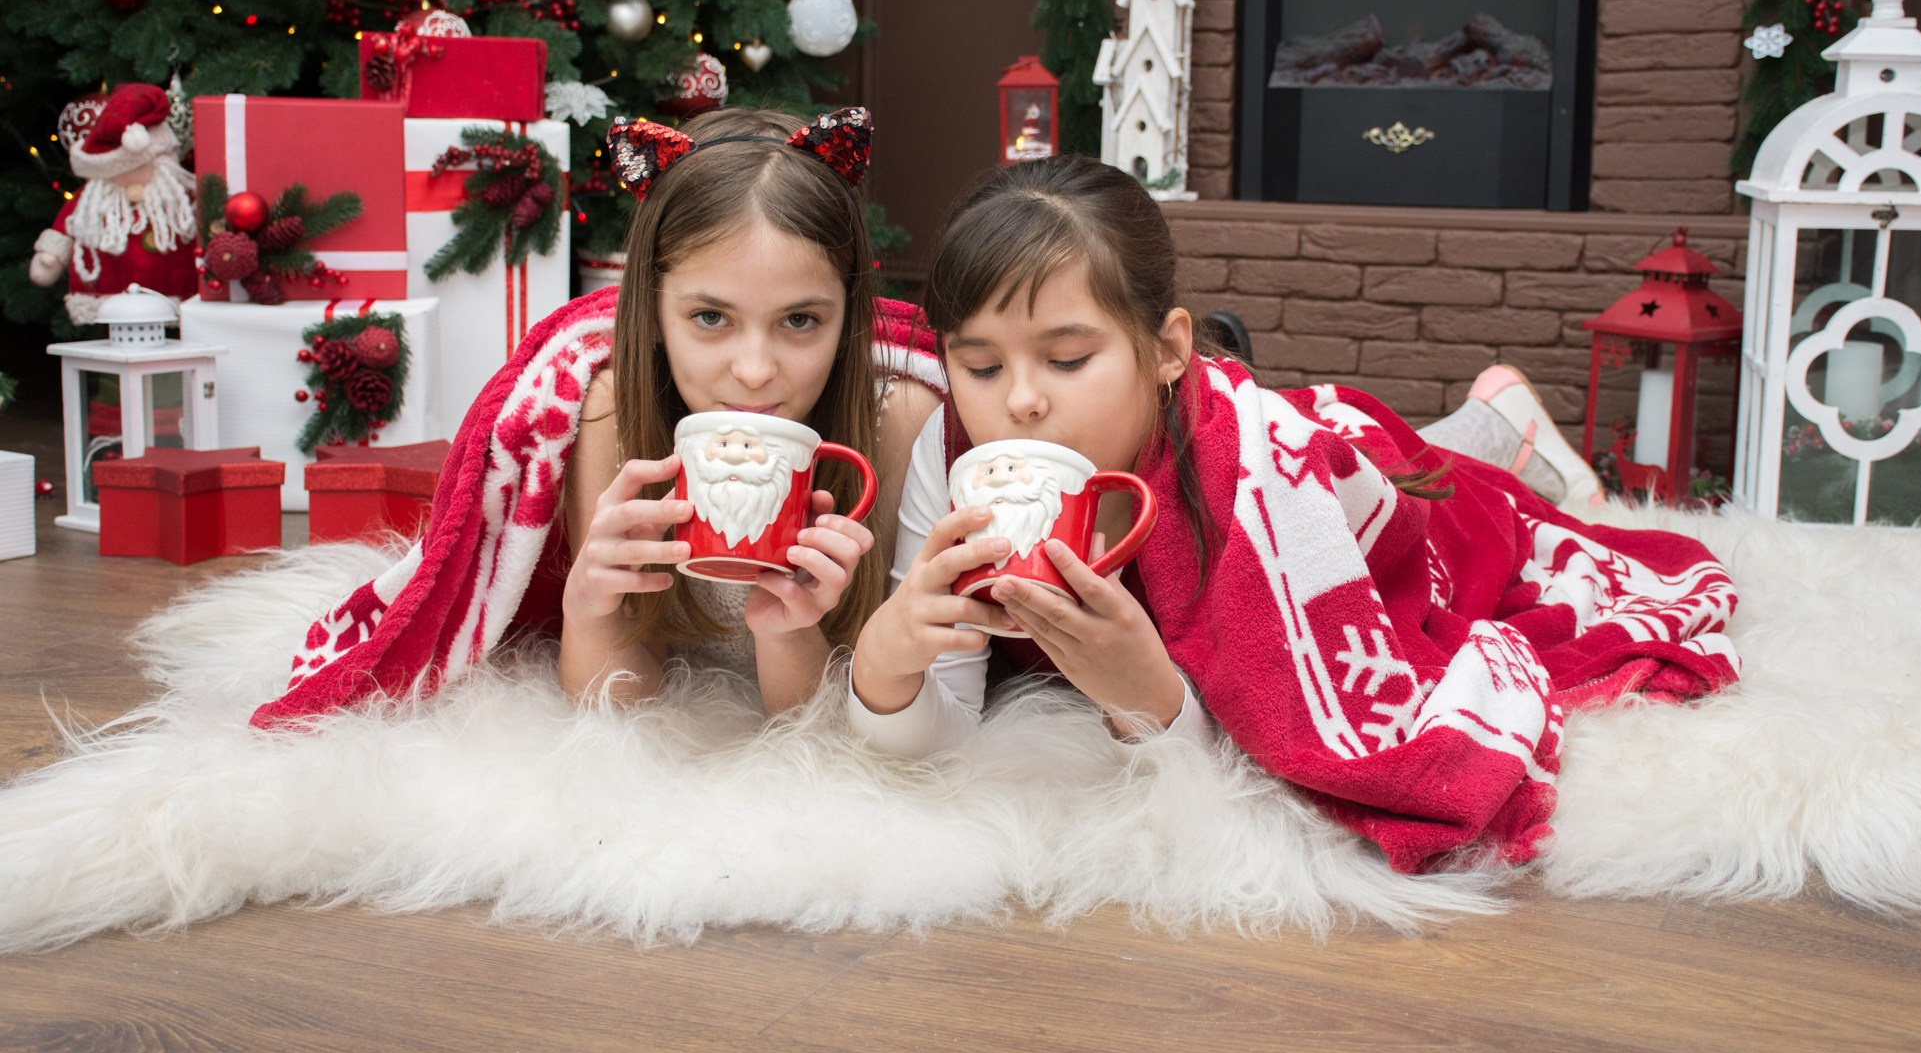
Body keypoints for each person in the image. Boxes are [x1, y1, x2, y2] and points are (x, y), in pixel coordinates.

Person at [844, 154, 1739, 872]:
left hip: (1358, 483)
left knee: (1461, 506)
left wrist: (1146, 697)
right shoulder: (956, 454)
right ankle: (1490, 421)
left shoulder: (1256, 483)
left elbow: (1289, 748)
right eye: (983, 366)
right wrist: (886, 671)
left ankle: (1502, 431)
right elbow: (941, 726)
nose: (1020, 404)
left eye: (1068, 359)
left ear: (1165, 350)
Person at [248, 107, 944, 729]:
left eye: (800, 320)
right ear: (651, 309)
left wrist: (789, 633)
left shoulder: (896, 420)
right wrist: (588, 608)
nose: (756, 369)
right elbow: (615, 710)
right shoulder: (608, 411)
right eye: (710, 318)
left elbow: (840, 728)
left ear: (849, 314)